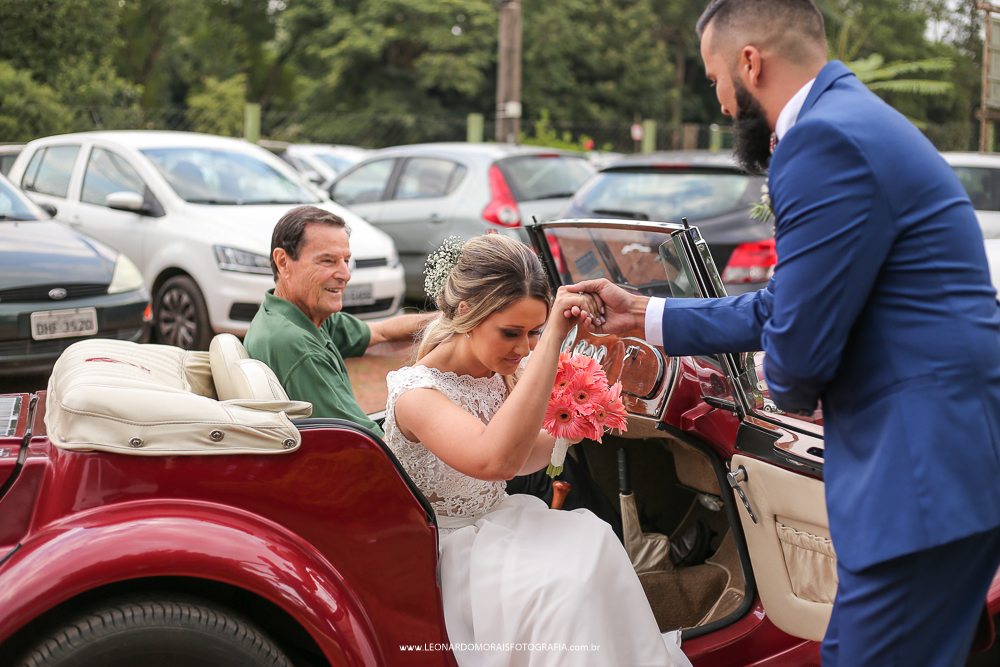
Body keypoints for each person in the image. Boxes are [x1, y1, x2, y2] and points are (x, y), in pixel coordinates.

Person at [569, 1, 1000, 665]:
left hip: (917, 471)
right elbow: (785, 305)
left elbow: (797, 350)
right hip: (944, 458)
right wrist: (642, 315)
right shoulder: (852, 120)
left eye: (715, 78)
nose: (720, 102)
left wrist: (783, 382)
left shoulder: (822, 140)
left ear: (750, 63)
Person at [384, 235, 681, 666]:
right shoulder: (417, 393)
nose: (524, 348)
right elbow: (496, 462)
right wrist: (553, 339)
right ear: (466, 312)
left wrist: (575, 424)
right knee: (562, 589)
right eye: (511, 333)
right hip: (448, 550)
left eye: (535, 332)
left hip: (500, 523)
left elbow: (526, 459)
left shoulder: (501, 369)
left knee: (594, 539)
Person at [245, 205, 433, 437]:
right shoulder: (295, 343)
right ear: (283, 262)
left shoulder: (296, 315)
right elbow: (367, 444)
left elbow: (383, 332)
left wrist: (447, 321)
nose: (345, 274)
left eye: (346, 260)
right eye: (328, 261)